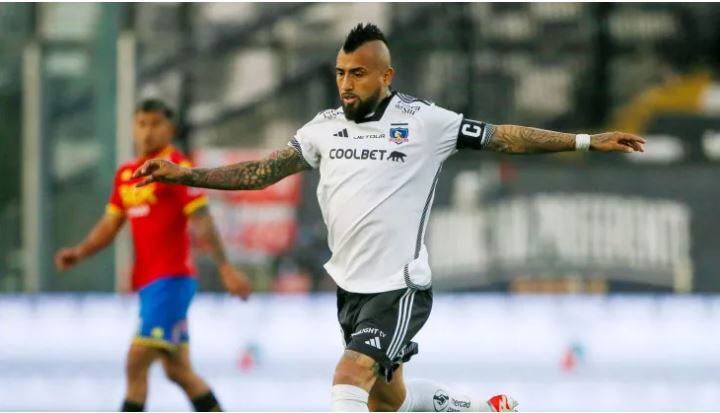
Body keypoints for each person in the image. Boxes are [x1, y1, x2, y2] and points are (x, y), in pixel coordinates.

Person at [131, 24, 646, 412]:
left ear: (385, 76)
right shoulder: (322, 128)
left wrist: (585, 140)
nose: (346, 84)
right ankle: (474, 409)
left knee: (348, 376)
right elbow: (262, 172)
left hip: (399, 287)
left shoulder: (425, 122)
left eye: (357, 73)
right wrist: (185, 174)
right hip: (350, 288)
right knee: (388, 402)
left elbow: (503, 136)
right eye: (340, 73)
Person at [54, 99, 252, 412]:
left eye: (156, 124)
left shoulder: (177, 168)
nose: (148, 131)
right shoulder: (126, 174)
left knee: (136, 362)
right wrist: (79, 253)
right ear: (133, 127)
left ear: (170, 129)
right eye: (142, 124)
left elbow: (201, 219)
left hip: (171, 281)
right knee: (178, 371)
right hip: (148, 284)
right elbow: (110, 224)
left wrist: (225, 267)